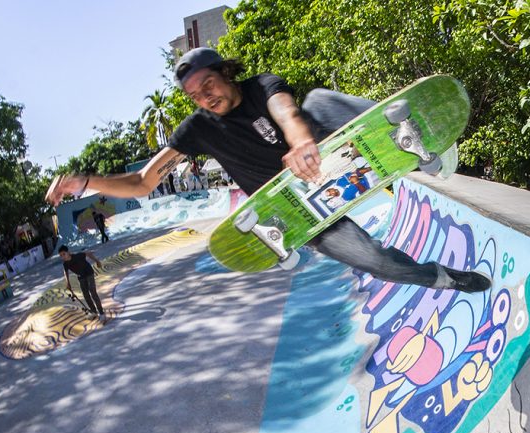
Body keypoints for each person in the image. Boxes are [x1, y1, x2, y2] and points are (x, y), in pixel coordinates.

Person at [46, 47, 490, 294]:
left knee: (318, 100)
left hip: (320, 151)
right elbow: (144, 182)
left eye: (209, 85)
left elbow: (286, 111)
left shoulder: (262, 86)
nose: (206, 98)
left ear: (226, 73)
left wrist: (299, 141)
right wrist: (84, 183)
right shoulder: (197, 128)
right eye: (196, 96)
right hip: (299, 208)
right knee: (375, 262)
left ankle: (418, 142)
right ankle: (443, 278)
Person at [59, 245, 107, 322]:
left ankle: (102, 313)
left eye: (64, 254)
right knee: (86, 294)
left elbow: (87, 253)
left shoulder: (77, 256)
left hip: (89, 273)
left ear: (68, 252)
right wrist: (68, 283)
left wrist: (97, 261)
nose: (63, 257)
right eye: (61, 255)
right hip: (81, 276)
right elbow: (66, 272)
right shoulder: (65, 264)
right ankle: (94, 311)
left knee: (93, 292)